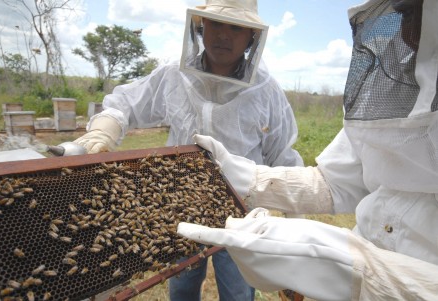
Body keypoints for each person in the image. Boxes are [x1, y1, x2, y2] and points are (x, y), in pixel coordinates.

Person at [177, 0, 438, 300]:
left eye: (421, 16)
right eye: (406, 14)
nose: (410, 34)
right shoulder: (399, 88)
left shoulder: (266, 88)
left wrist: (353, 270)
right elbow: (336, 182)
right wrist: (252, 179)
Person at [71, 0, 303, 300]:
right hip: (181, 205)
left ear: (252, 38)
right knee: (181, 287)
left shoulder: (266, 90)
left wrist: (296, 235)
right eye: (216, 23)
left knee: (237, 292)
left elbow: (284, 159)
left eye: (236, 28)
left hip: (240, 215)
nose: (224, 35)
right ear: (200, 26)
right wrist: (103, 130)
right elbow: (128, 102)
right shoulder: (173, 74)